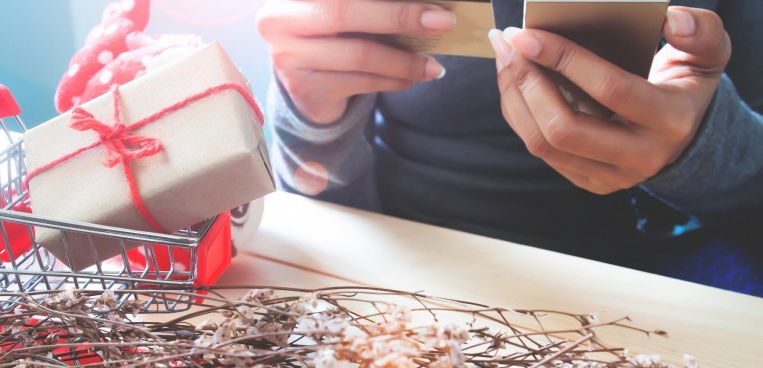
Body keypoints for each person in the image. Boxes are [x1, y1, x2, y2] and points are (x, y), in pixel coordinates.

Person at [255, 0, 762, 294]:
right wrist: (310, 116)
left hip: (670, 288)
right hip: (407, 268)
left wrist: (700, 147)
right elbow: (320, 207)